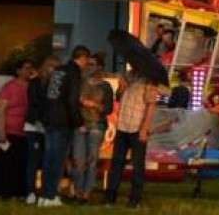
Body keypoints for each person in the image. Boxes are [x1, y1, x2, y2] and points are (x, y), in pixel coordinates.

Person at [39, 44, 90, 207]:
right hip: (62, 122)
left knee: (48, 158)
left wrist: (45, 117)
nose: (86, 64)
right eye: (86, 61)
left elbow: (49, 95)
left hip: (49, 120)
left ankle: (44, 196)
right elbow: (71, 101)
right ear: (82, 58)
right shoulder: (74, 73)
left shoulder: (58, 71)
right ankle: (52, 196)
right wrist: (79, 122)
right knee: (58, 160)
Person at [103, 69, 158, 209]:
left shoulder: (149, 79)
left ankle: (135, 199)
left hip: (137, 127)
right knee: (116, 163)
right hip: (122, 125)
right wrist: (122, 87)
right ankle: (110, 198)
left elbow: (151, 106)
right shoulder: (128, 76)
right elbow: (119, 98)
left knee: (137, 165)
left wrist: (144, 129)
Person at [71, 52, 113, 204]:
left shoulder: (105, 86)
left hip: (96, 125)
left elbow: (108, 109)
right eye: (87, 64)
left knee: (92, 160)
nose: (88, 67)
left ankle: (86, 194)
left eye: (92, 64)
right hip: (80, 126)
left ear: (100, 67)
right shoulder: (80, 82)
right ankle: (77, 191)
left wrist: (93, 104)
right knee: (78, 160)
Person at [0, 59, 33, 200]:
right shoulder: (9, 87)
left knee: (20, 164)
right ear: (18, 70)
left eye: (30, 68)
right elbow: (1, 110)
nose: (29, 71)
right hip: (9, 131)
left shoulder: (32, 87)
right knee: (6, 163)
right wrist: (1, 131)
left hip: (25, 131)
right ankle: (3, 192)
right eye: (26, 68)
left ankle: (18, 192)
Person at [25, 55, 59, 205]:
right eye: (51, 66)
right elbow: (34, 104)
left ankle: (46, 191)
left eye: (56, 67)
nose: (53, 70)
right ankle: (30, 192)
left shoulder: (56, 85)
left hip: (50, 127)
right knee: (32, 161)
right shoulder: (35, 82)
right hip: (35, 126)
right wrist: (41, 120)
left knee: (48, 161)